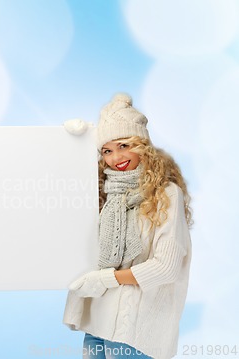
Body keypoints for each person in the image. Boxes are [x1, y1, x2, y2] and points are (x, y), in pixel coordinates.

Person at [63, 94, 192, 359]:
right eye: (107, 150)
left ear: (142, 145)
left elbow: (165, 267)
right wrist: (71, 142)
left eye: (124, 145)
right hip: (96, 323)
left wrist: (105, 278)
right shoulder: (102, 193)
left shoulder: (165, 193)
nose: (116, 158)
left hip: (135, 332)